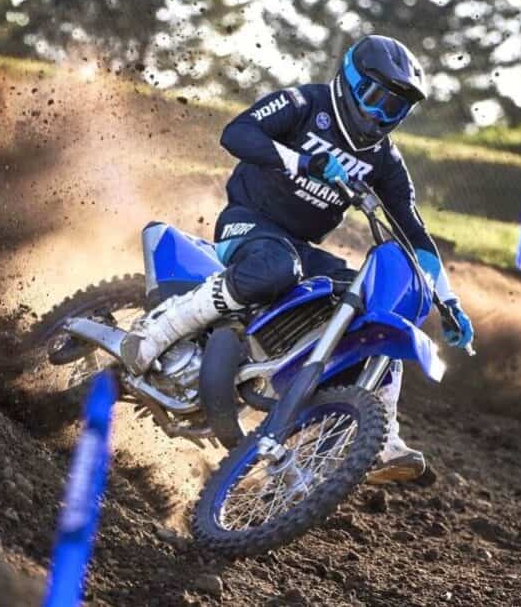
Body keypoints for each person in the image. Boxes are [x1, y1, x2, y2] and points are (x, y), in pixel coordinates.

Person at [120, 35, 475, 482]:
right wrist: (304, 162)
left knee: (376, 303)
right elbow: (237, 133)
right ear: (348, 81)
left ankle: (380, 436)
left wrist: (448, 302)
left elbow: (414, 232)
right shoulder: (306, 103)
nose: (381, 115)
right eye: (375, 98)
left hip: (300, 248)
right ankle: (159, 329)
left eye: (395, 109)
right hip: (248, 222)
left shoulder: (384, 160)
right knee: (275, 267)